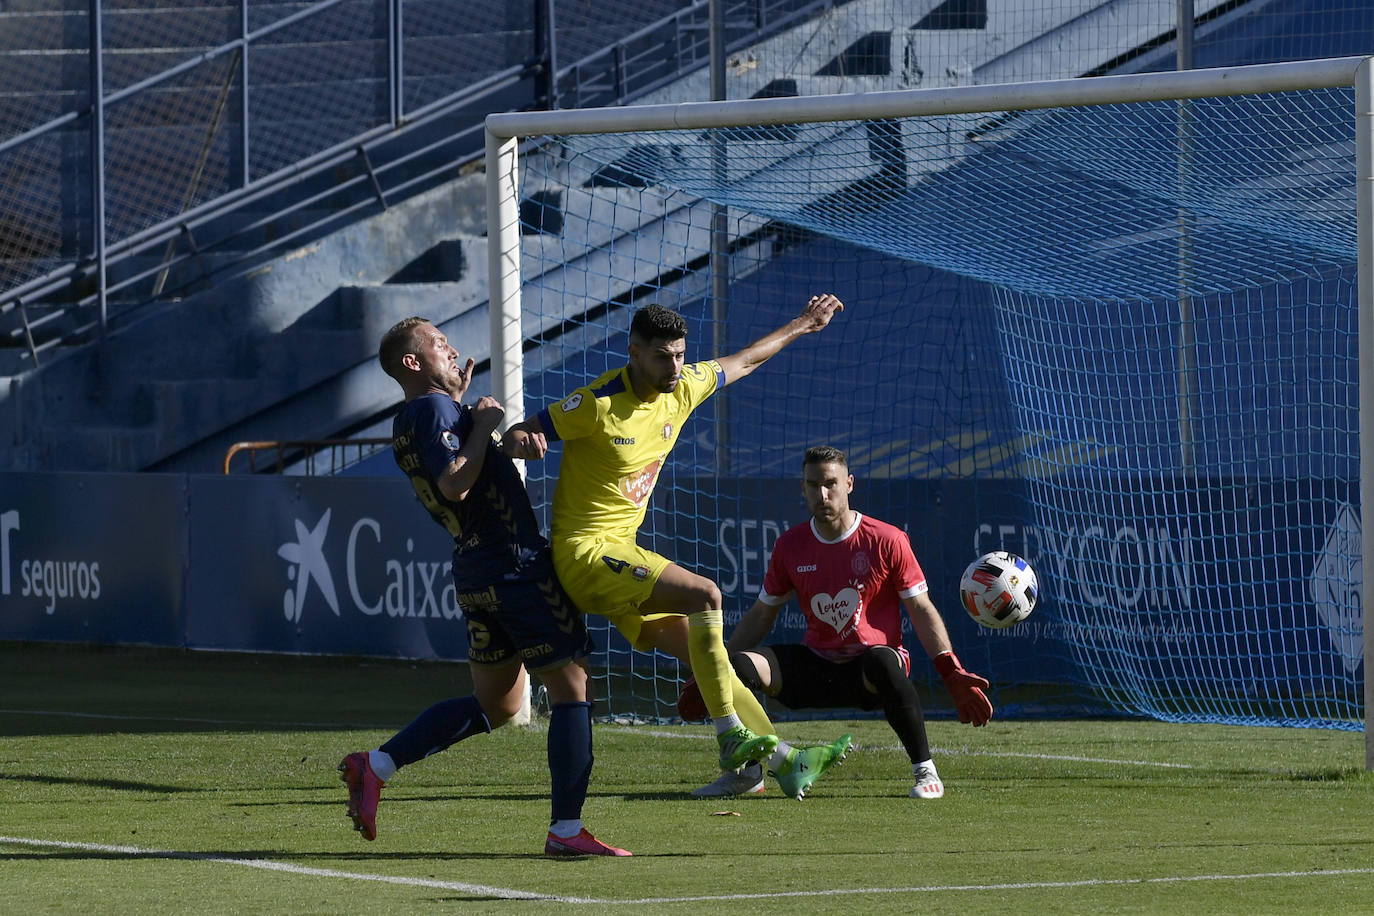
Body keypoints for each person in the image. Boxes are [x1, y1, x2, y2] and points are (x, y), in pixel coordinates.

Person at [502, 297, 853, 801]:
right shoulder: (597, 404)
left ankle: (775, 763)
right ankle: (731, 735)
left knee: (711, 659)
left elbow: (746, 360)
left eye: (681, 355)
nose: (675, 367)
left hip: (618, 558)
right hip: (583, 555)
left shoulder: (682, 389)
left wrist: (803, 324)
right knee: (706, 594)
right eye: (663, 357)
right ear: (634, 353)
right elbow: (523, 432)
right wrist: (521, 441)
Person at [338, 317, 630, 858]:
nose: (451, 348)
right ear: (412, 362)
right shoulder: (431, 411)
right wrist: (482, 423)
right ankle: (566, 831)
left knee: (498, 703)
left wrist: (466, 413)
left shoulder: (416, 417)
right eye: (438, 343)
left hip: (474, 570)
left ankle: (375, 765)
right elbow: (455, 480)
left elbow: (457, 470)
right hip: (512, 563)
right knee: (571, 687)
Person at [681, 445, 993, 799]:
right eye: (813, 485)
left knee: (883, 661)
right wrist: (711, 673)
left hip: (870, 671)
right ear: (803, 489)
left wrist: (949, 669)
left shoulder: (887, 539)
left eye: (831, 483)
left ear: (849, 484)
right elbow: (760, 616)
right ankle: (749, 774)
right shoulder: (790, 545)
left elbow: (921, 608)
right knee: (737, 666)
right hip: (816, 665)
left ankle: (926, 771)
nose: (822, 494)